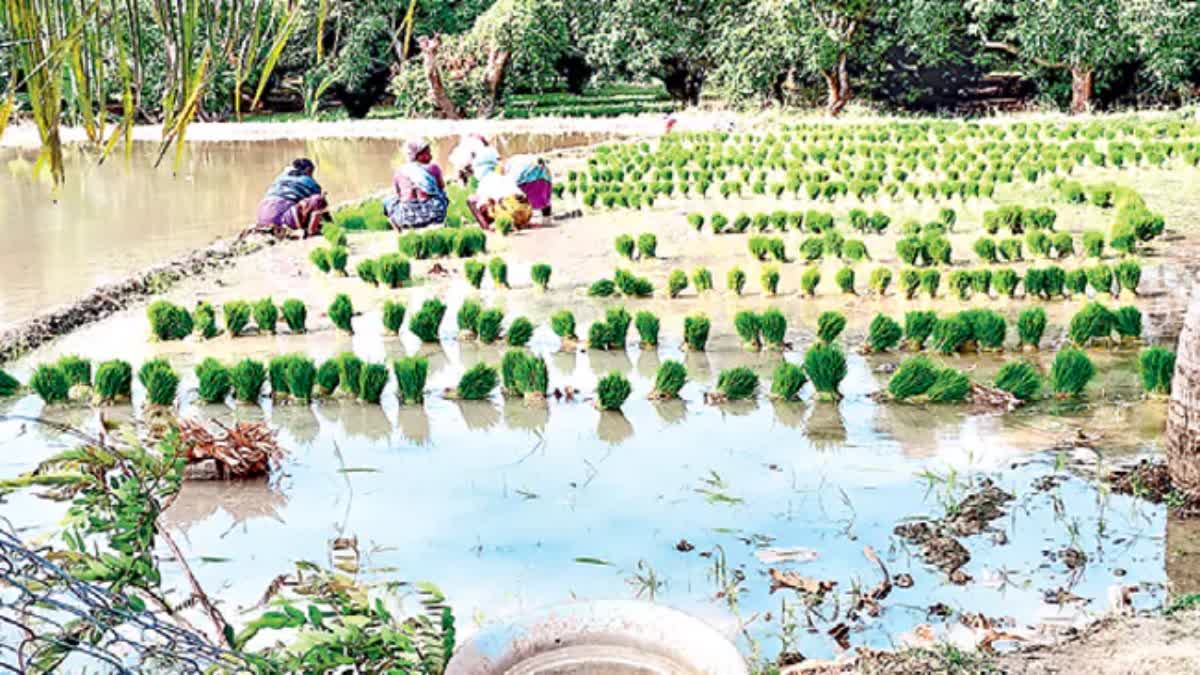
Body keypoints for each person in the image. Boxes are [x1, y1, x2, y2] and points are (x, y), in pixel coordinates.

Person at [254, 158, 330, 238]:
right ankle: (312, 232)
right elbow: (316, 205)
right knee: (318, 200)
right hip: (280, 219)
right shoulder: (310, 182)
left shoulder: (281, 176)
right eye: (312, 172)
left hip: (261, 213)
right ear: (308, 170)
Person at [384, 138, 448, 231]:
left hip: (407, 218)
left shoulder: (400, 171)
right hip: (434, 215)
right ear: (417, 155)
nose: (431, 156)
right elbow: (442, 186)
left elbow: (398, 194)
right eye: (428, 153)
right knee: (442, 193)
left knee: (388, 201)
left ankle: (399, 232)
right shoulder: (433, 168)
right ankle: (441, 223)